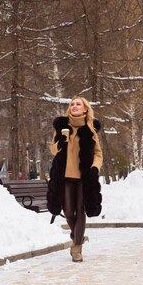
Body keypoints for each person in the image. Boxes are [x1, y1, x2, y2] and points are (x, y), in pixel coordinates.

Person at [47, 96, 103, 262]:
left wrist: (95, 168)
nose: (74, 106)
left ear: (85, 109)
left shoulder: (90, 129)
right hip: (64, 177)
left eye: (78, 104)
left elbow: (98, 154)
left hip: (83, 178)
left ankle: (77, 248)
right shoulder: (62, 127)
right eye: (72, 104)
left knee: (80, 211)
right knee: (68, 212)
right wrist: (61, 143)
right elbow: (52, 149)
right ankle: (76, 235)